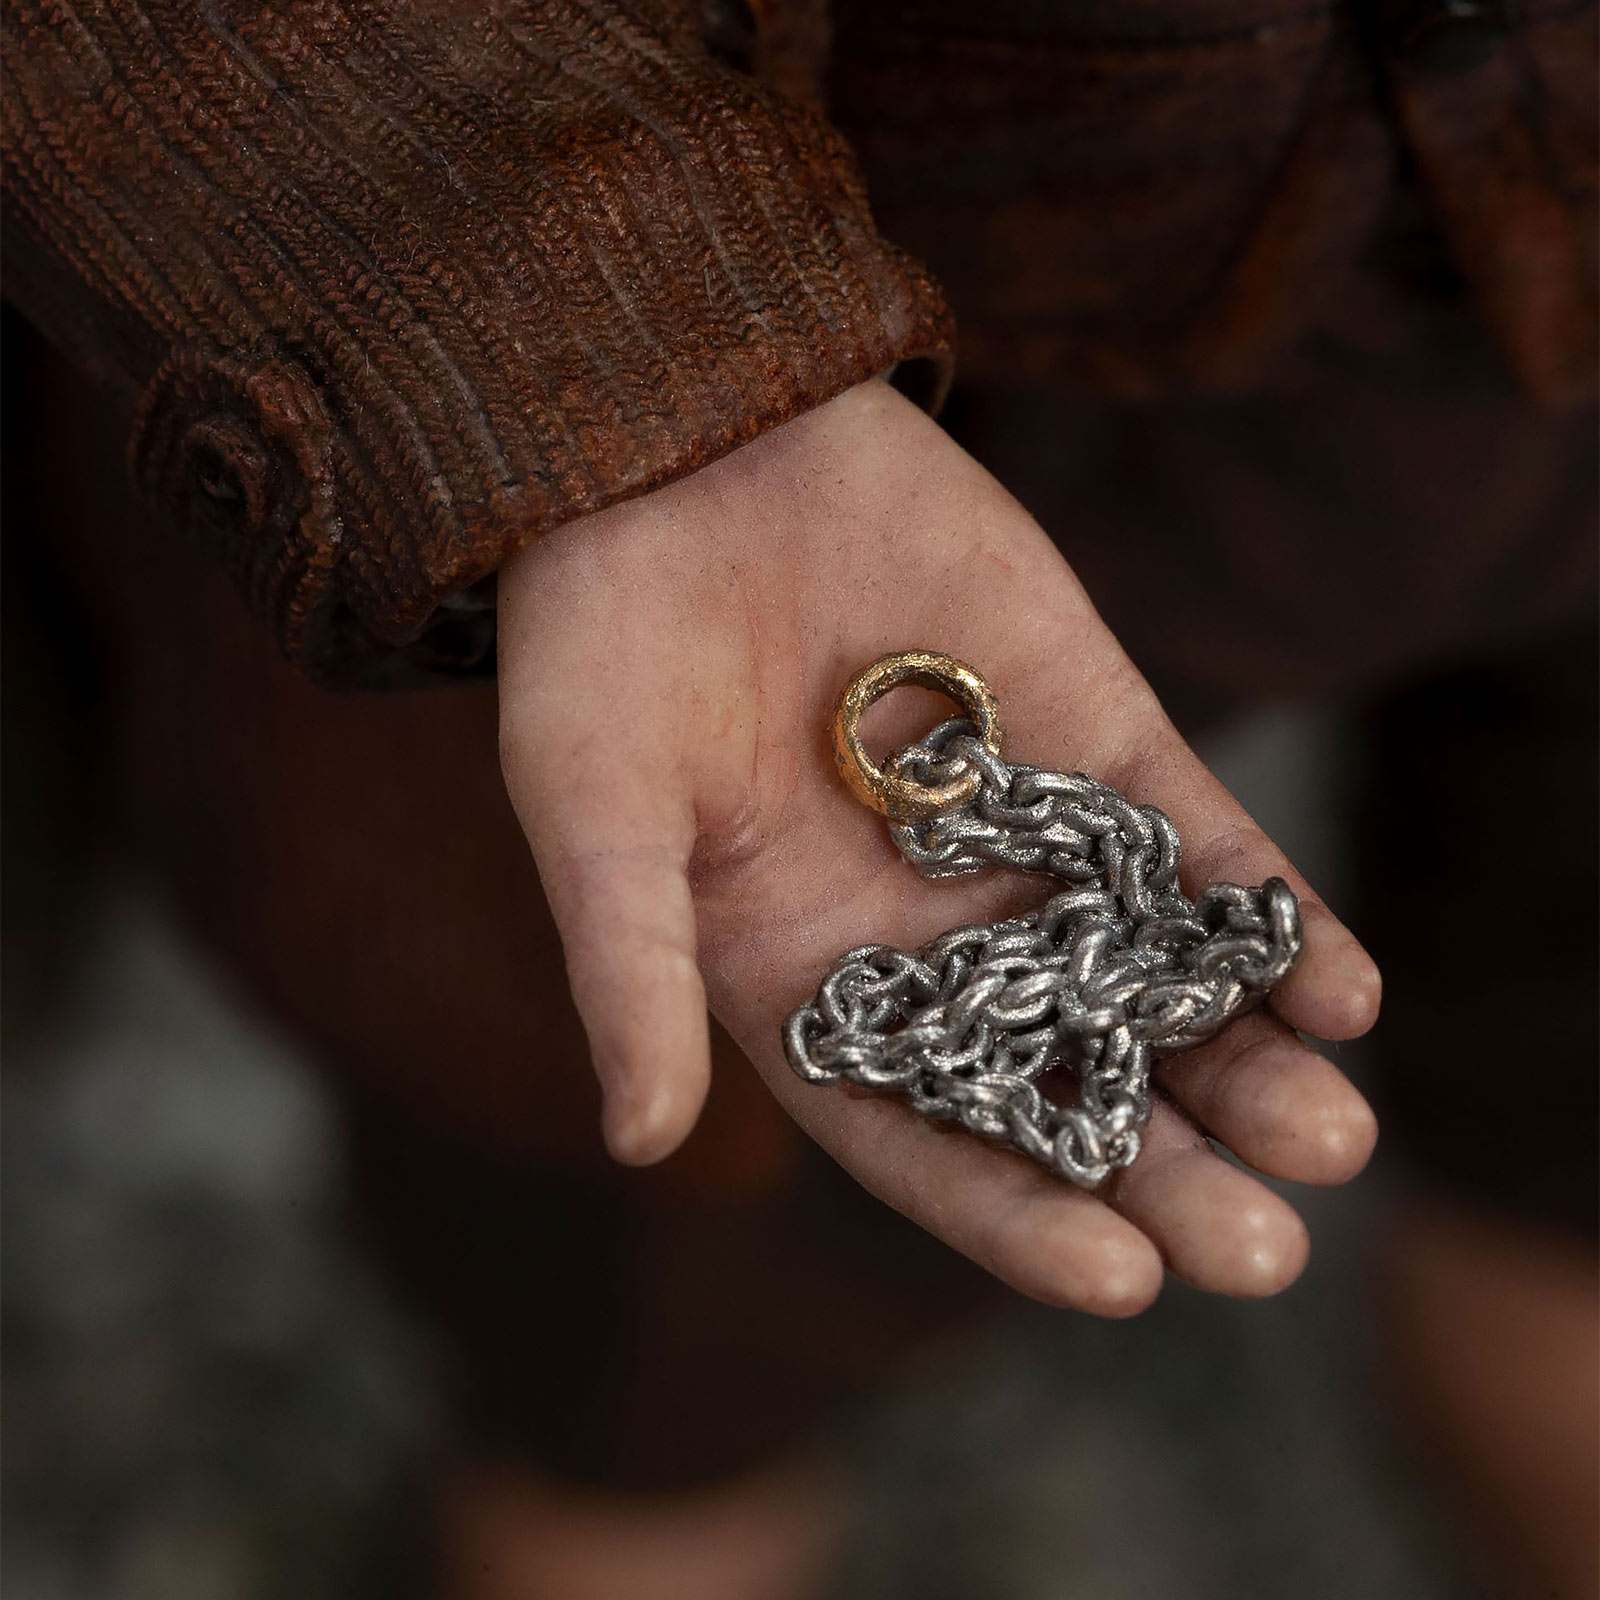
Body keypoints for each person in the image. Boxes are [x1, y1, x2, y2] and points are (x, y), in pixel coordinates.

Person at [3, 3, 1593, 1596]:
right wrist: (587, 340)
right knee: (652, 1305)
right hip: (676, 412)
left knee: (1560, 1178)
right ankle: (638, 1474)